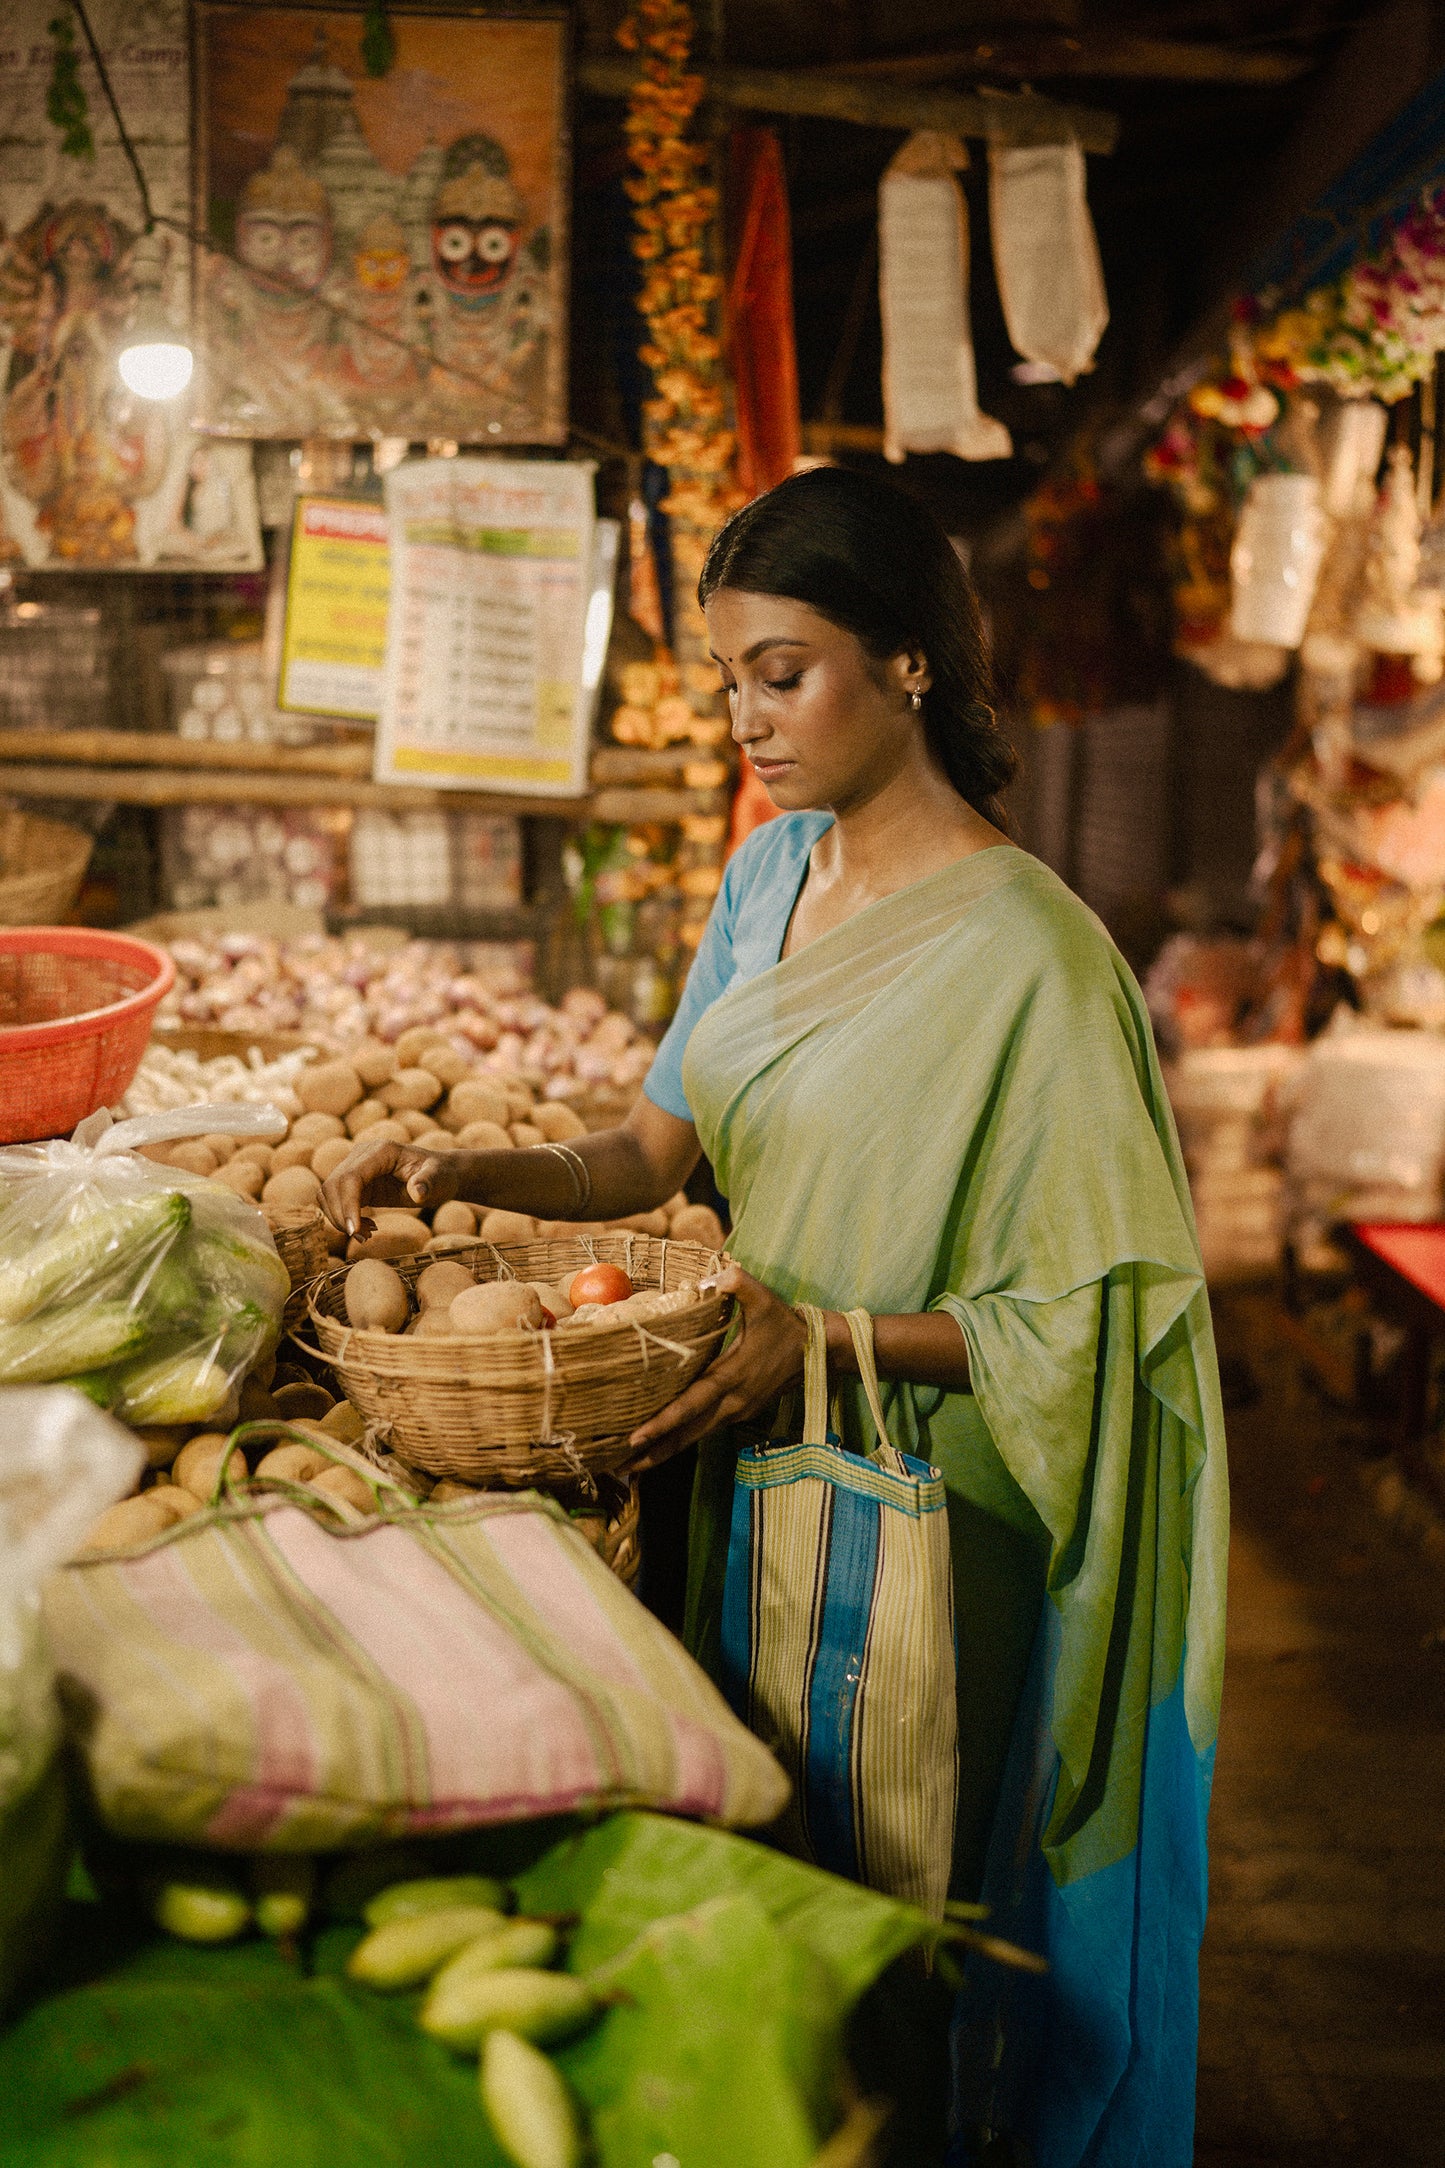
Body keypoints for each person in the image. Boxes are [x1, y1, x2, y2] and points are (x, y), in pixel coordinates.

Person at [319, 464, 1228, 2168]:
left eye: (781, 670)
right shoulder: (765, 885)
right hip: (744, 1460)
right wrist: (463, 1171)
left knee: (911, 1902)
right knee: (778, 1863)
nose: (746, 716)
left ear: (906, 663)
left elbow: (1098, 1328)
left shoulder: (1034, 958)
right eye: (727, 677)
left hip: (932, 1507)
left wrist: (826, 1342)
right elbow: (649, 1149)